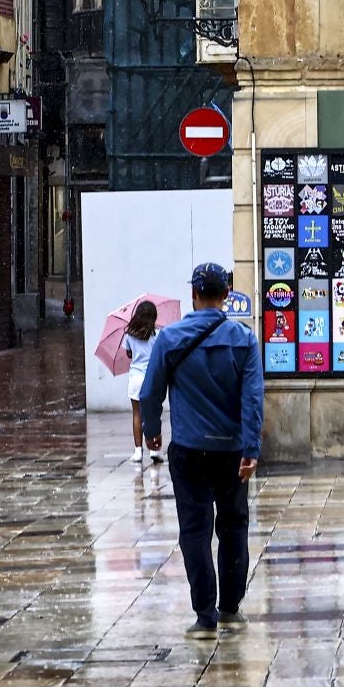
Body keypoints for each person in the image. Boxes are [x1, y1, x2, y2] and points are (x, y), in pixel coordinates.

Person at [138, 262, 263, 640]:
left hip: (189, 449)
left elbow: (150, 391)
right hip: (231, 450)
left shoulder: (170, 338)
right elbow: (253, 399)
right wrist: (251, 446)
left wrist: (152, 431)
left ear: (194, 294)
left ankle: (204, 615)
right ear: (226, 295)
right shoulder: (244, 340)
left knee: (195, 530)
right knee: (233, 525)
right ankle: (230, 608)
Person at [121, 300, 162, 467]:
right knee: (153, 414)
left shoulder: (129, 335)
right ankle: (155, 450)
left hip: (136, 378)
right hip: (152, 378)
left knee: (137, 414)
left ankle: (138, 451)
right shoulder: (157, 334)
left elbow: (129, 353)